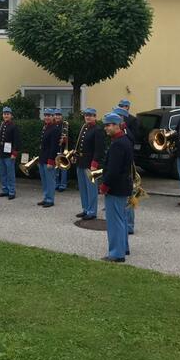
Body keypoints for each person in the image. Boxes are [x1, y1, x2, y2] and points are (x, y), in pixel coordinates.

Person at [98, 112, 133, 262]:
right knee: (122, 219)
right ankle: (123, 247)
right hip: (123, 186)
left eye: (108, 125)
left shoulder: (118, 144)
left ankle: (117, 254)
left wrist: (104, 186)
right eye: (105, 125)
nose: (106, 128)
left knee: (114, 221)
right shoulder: (124, 140)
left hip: (116, 187)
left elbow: (113, 170)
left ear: (116, 125)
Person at [74, 108, 105, 221]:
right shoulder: (85, 128)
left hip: (91, 164)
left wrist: (95, 163)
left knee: (91, 189)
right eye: (86, 115)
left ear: (95, 117)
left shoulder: (98, 130)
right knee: (83, 188)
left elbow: (99, 149)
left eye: (91, 115)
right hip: (81, 162)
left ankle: (92, 212)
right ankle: (86, 209)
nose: (88, 117)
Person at [113, 106, 136, 233]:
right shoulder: (118, 131)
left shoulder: (125, 132)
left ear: (121, 118)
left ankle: (129, 225)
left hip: (126, 170)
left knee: (128, 197)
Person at [0, 106, 21, 200]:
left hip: (9, 154)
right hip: (0, 153)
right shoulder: (1, 125)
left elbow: (16, 141)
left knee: (10, 173)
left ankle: (12, 191)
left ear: (11, 115)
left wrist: (14, 153)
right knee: (2, 173)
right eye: (4, 114)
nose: (6, 115)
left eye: (7, 114)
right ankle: (5, 190)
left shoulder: (14, 126)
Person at [37, 108, 60, 208]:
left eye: (49, 116)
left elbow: (54, 146)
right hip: (43, 157)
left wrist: (51, 160)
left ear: (53, 117)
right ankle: (46, 197)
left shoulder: (55, 128)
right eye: (45, 115)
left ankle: (50, 200)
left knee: (50, 180)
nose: (46, 117)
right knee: (44, 180)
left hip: (49, 159)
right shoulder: (45, 127)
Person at [54, 109, 69, 192]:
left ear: (61, 116)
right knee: (55, 167)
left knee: (63, 168)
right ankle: (56, 184)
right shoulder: (52, 125)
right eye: (56, 115)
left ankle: (63, 185)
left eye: (59, 115)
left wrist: (64, 140)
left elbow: (68, 137)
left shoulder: (64, 125)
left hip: (63, 149)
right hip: (55, 148)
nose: (57, 116)